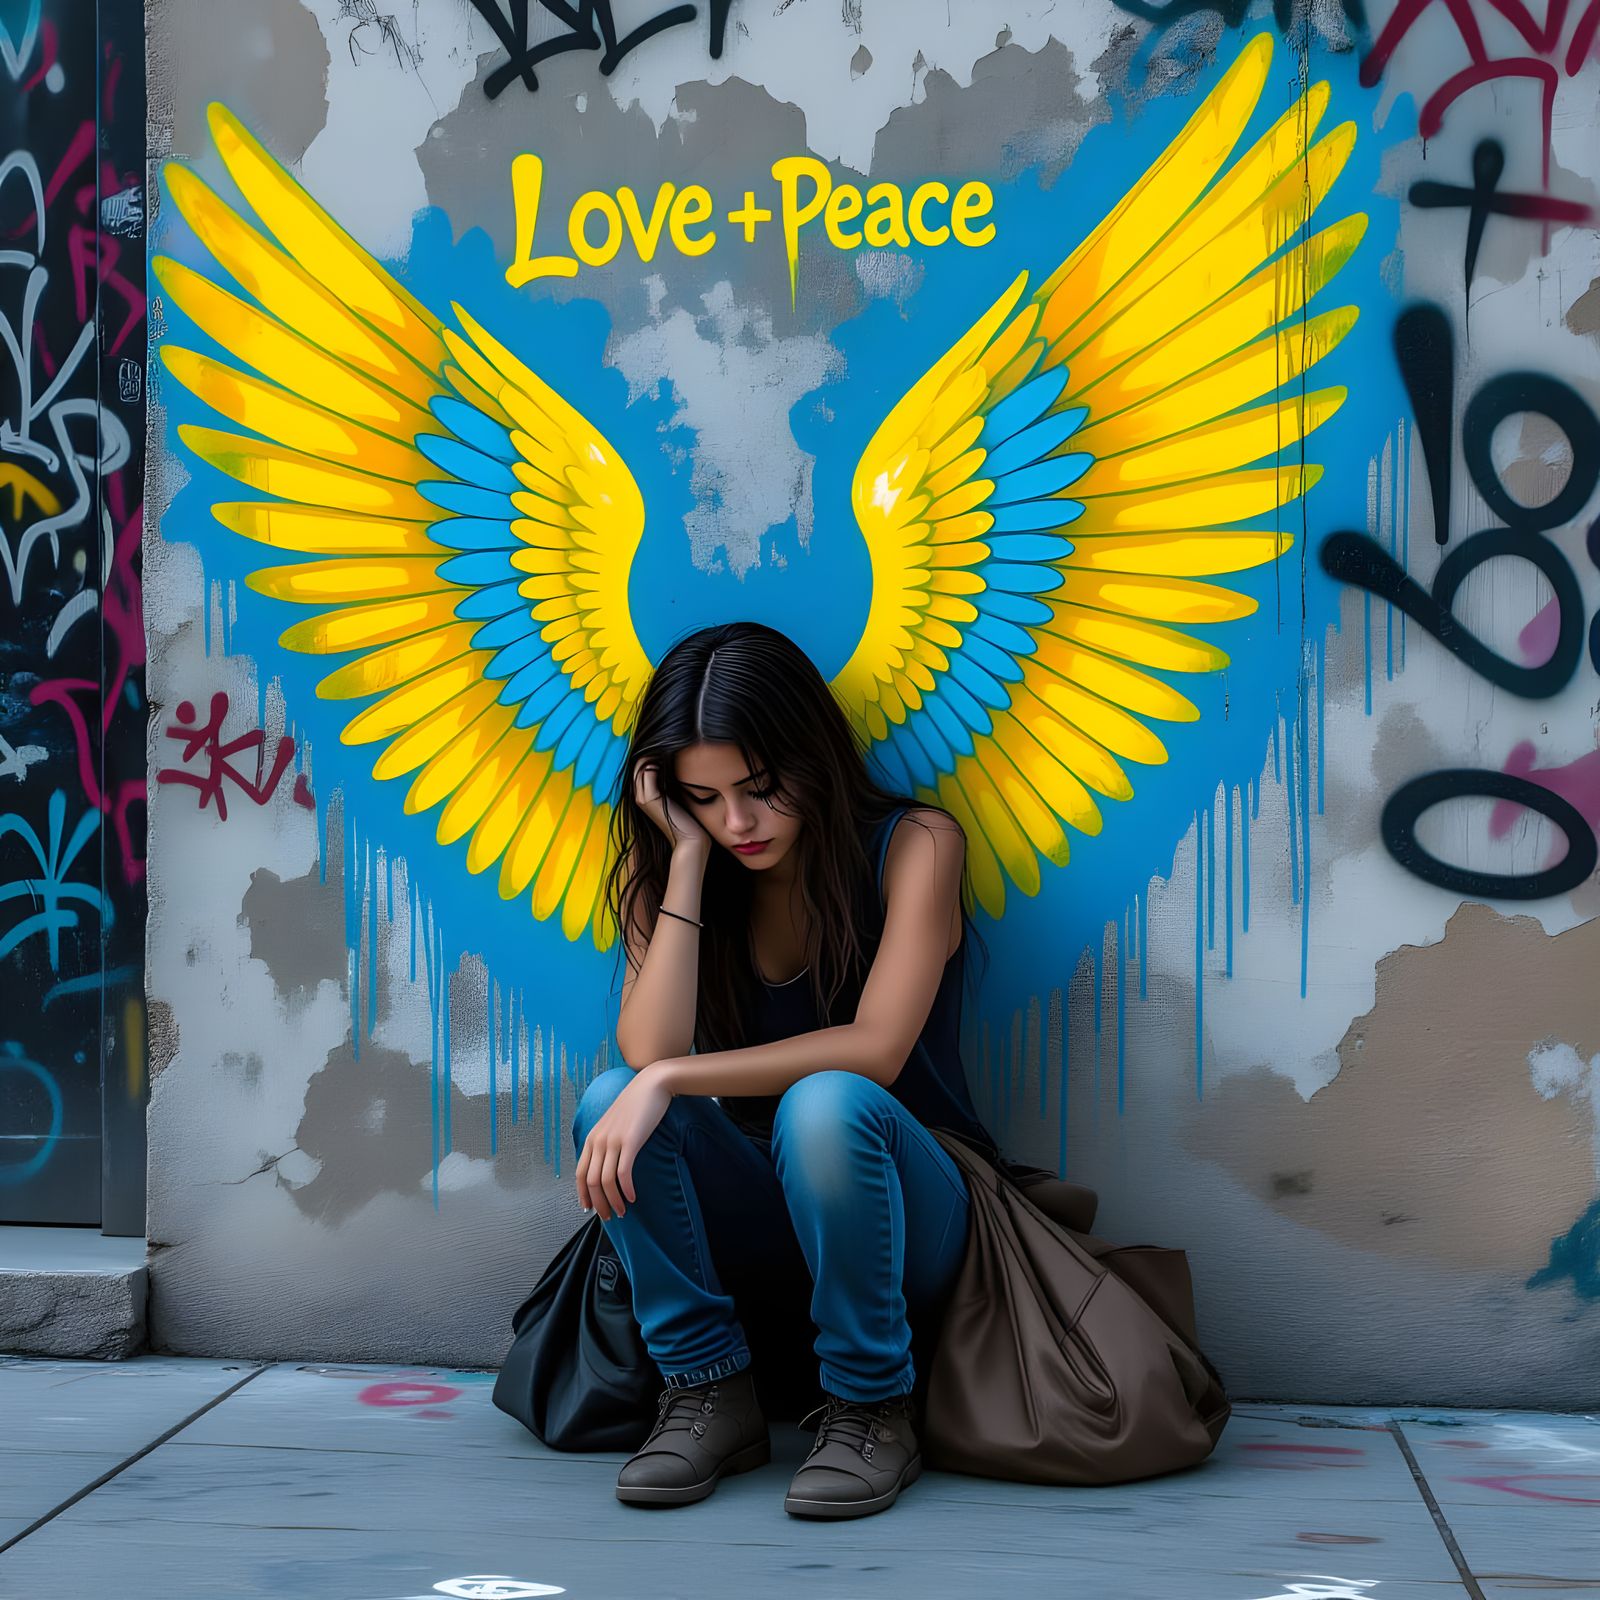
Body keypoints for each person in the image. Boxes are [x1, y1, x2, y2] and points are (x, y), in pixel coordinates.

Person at [571, 620, 999, 1520]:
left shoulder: (916, 844)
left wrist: (669, 1080)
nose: (738, 823)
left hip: (911, 1212)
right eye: (704, 798)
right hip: (770, 1214)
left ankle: (872, 1403)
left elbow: (878, 1050)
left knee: (826, 1104)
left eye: (761, 789)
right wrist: (684, 863)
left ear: (812, 755)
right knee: (611, 1096)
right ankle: (708, 1391)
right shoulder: (685, 867)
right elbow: (648, 1053)